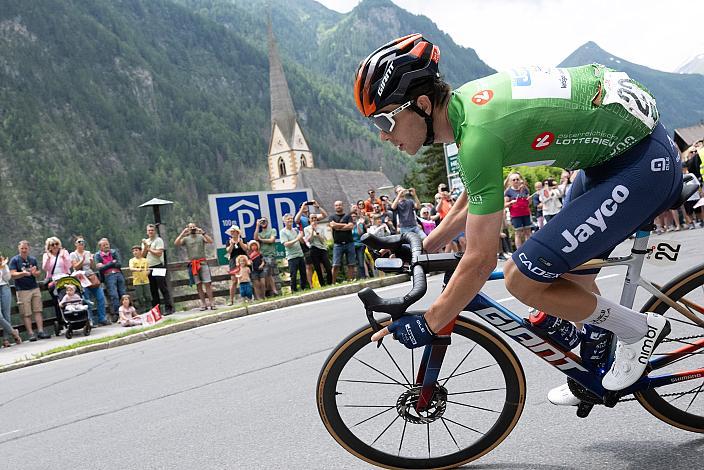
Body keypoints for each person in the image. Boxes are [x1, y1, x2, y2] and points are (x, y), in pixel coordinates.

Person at [355, 34, 679, 403]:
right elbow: (476, 193)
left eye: (383, 120)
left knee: (522, 278)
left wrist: (430, 322)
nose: (381, 135)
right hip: (611, 157)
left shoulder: (477, 136)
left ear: (424, 104)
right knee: (565, 275)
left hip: (640, 167)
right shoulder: (466, 109)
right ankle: (597, 362)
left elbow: (479, 262)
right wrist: (425, 247)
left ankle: (638, 330)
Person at [9, 241, 49, 341]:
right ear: (19, 249)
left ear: (28, 249)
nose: (24, 250)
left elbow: (38, 272)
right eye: (22, 248)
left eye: (25, 248)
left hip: (34, 287)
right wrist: (23, 273)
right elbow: (12, 274)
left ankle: (40, 331)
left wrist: (35, 273)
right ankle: (31, 333)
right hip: (22, 290)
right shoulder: (14, 260)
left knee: (38, 310)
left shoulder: (33, 259)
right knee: (26, 313)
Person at [175, 223, 216, 311]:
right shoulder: (186, 239)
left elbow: (210, 241)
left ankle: (212, 302)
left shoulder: (201, 236)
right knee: (198, 285)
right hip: (193, 264)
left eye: (193, 227)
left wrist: (203, 232)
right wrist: (183, 233)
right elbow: (176, 243)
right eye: (190, 227)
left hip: (203, 262)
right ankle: (203, 303)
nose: (192, 229)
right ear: (188, 229)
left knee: (207, 283)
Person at [70, 236, 108, 326]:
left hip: (91, 276)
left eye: (82, 242)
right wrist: (82, 260)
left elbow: (92, 267)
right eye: (79, 242)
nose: (81, 244)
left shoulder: (88, 253)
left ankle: (102, 318)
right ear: (75, 244)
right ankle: (90, 320)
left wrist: (91, 261)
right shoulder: (73, 254)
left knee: (101, 297)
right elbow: (75, 267)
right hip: (81, 278)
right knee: (87, 300)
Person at [143, 224, 174, 315]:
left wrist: (149, 249)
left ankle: (168, 308)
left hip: (158, 266)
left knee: (162, 287)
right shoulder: (145, 242)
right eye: (149, 230)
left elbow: (159, 253)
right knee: (153, 289)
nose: (150, 232)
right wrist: (145, 248)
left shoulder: (159, 240)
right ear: (147, 232)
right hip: (149, 267)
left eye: (152, 230)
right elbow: (143, 255)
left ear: (155, 231)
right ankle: (157, 310)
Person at [42, 236, 73, 330]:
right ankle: (61, 321)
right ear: (49, 247)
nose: (55, 246)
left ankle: (73, 316)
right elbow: (45, 268)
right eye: (52, 244)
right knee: (57, 301)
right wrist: (47, 259)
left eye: (56, 244)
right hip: (54, 278)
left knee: (70, 297)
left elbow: (69, 265)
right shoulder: (46, 255)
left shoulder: (64, 253)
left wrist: (64, 257)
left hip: (65, 277)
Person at [95, 238, 127, 321]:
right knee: (114, 295)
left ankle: (127, 311)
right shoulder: (97, 255)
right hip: (108, 276)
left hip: (118, 274)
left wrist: (105, 265)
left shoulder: (114, 252)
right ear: (100, 247)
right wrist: (112, 263)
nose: (106, 246)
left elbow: (119, 264)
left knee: (123, 294)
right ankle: (117, 314)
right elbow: (100, 269)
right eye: (104, 245)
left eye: (107, 244)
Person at [280, 214, 309, 292]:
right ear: (284, 221)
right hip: (291, 256)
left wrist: (302, 237)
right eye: (288, 219)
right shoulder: (283, 232)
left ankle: (304, 288)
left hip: (300, 254)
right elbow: (286, 244)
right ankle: (294, 290)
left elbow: (301, 241)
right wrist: (297, 238)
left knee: (303, 273)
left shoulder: (295, 230)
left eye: (291, 219)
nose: (290, 220)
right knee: (293, 275)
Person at [329, 200, 357, 282]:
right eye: (336, 205)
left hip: (349, 243)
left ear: (342, 206)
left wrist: (338, 227)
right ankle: (333, 283)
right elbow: (333, 226)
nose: (338, 206)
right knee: (335, 265)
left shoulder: (348, 216)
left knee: (351, 264)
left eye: (340, 205)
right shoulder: (332, 217)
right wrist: (345, 225)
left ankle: (350, 281)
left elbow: (351, 226)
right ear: (334, 207)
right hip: (338, 244)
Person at [504, 173, 532, 248]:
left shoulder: (525, 189)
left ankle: (529, 249)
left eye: (517, 179)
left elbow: (529, 203)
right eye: (514, 180)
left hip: (526, 213)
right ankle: (519, 251)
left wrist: (529, 199)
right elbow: (505, 204)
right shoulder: (508, 191)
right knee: (518, 233)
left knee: (528, 231)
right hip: (516, 215)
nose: (516, 181)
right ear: (510, 182)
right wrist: (511, 202)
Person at [304, 214, 333, 285]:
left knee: (328, 267)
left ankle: (330, 283)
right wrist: (312, 231)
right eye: (312, 218)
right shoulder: (306, 229)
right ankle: (322, 284)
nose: (314, 219)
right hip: (313, 249)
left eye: (315, 218)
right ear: (309, 220)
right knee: (317, 268)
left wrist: (317, 233)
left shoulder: (321, 228)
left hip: (322, 249)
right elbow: (309, 240)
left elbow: (323, 240)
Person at [254, 217, 280, 297]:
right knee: (267, 274)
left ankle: (271, 290)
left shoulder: (272, 230)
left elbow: (271, 240)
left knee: (267, 273)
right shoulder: (260, 233)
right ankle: (270, 291)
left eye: (264, 221)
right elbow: (255, 238)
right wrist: (257, 226)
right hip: (262, 256)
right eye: (261, 221)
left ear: (267, 222)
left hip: (270, 255)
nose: (263, 222)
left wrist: (261, 240)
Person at [1, 253, 22, 347]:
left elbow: (7, 278)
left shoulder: (2, 263)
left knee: (6, 314)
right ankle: (13, 332)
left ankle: (6, 340)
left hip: (4, 287)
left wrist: (4, 266)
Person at [225, 225, 248, 305]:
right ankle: (231, 300)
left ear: (238, 232)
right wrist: (232, 243)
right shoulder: (228, 241)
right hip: (233, 261)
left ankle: (247, 297)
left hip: (242, 260)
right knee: (234, 280)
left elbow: (245, 248)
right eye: (231, 232)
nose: (232, 233)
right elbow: (228, 251)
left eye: (234, 231)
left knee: (245, 278)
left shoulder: (243, 239)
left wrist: (239, 241)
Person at [128, 245, 151, 313]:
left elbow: (148, 269)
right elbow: (131, 268)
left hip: (145, 281)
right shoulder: (132, 260)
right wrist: (138, 269)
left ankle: (149, 308)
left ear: (140, 251)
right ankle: (143, 310)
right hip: (137, 281)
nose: (135, 252)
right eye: (133, 251)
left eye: (136, 250)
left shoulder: (145, 260)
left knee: (148, 296)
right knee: (140, 297)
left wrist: (147, 273)